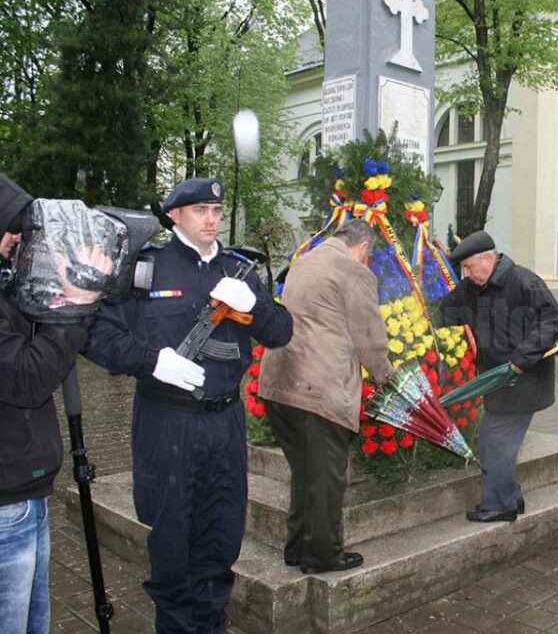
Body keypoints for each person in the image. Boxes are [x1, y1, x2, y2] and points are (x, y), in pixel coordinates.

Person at [84, 178, 293, 633]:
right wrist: (150, 361)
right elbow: (93, 332)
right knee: (173, 541)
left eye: (216, 210)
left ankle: (211, 624)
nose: (211, 219)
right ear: (174, 215)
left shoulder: (239, 270)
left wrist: (255, 305)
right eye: (200, 210)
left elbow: (281, 332)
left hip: (225, 422)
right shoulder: (145, 269)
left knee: (220, 538)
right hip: (167, 421)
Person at [0, 173, 111, 634]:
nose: (16, 240)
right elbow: (27, 379)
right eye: (10, 228)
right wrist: (78, 303)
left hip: (21, 490)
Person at [258, 220, 394, 574]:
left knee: (304, 472)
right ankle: (322, 555)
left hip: (279, 384)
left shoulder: (303, 261)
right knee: (328, 478)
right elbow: (368, 335)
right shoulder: (352, 270)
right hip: (318, 389)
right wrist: (385, 377)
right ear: (363, 248)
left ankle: (297, 547)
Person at [441, 231, 558, 522]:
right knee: (493, 440)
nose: (465, 275)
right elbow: (446, 310)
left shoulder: (524, 281)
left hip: (524, 380)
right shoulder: (471, 288)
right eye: (462, 269)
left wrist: (520, 360)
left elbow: (551, 320)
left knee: (496, 440)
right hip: (494, 381)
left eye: (468, 267)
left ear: (488, 259)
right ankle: (511, 497)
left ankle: (501, 506)